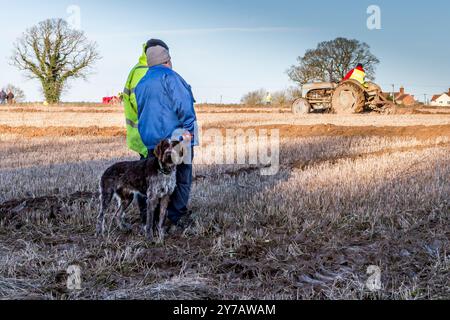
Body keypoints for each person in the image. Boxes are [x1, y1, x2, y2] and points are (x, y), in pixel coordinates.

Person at [135, 39, 198, 230]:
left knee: (151, 179)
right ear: (167, 59)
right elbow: (184, 107)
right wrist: (189, 133)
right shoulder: (171, 77)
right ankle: (176, 217)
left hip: (151, 142)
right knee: (182, 177)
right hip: (175, 140)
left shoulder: (142, 83)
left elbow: (141, 112)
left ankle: (150, 219)